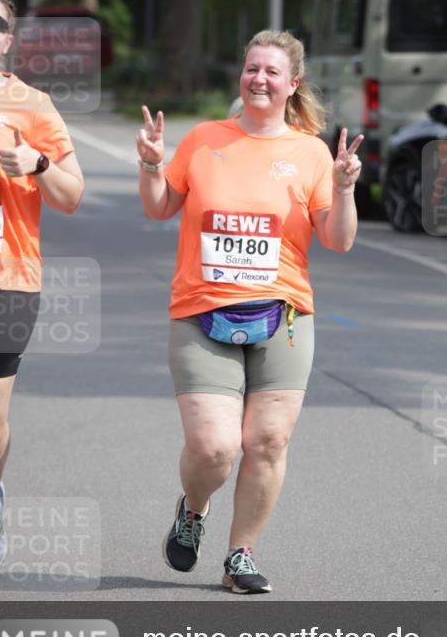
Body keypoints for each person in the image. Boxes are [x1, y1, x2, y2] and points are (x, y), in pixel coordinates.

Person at [137, 29, 362, 594]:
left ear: (292, 85)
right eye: (251, 69)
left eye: (271, 72)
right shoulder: (205, 139)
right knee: (215, 447)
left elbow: (337, 240)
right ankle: (193, 507)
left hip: (283, 315)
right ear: (242, 76)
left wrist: (344, 188)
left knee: (267, 442)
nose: (258, 79)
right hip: (201, 309)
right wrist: (150, 166)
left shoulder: (310, 152)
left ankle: (241, 555)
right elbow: (161, 206)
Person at [0, 0, 84, 609]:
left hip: (7, 277)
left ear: (8, 41)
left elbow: (70, 195)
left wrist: (36, 162)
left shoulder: (30, 106)